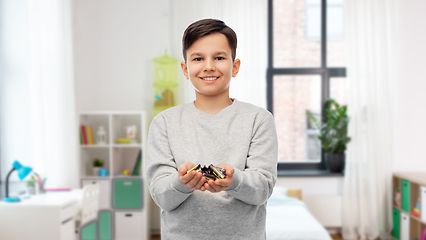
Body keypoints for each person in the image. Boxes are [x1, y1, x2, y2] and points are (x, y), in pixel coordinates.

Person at [147, 18, 278, 239]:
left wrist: (234, 181)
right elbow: (162, 197)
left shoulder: (259, 119)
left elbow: (263, 190)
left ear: (235, 66)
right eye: (198, 58)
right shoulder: (164, 123)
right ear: (185, 68)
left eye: (219, 57)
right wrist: (180, 183)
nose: (209, 66)